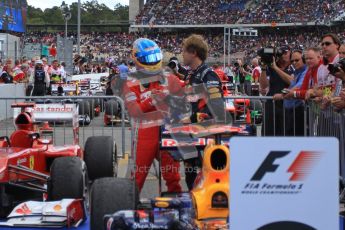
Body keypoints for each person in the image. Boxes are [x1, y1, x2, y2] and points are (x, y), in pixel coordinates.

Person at [122, 38, 182, 193]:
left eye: (155, 57)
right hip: (144, 135)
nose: (153, 62)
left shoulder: (171, 78)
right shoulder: (130, 83)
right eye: (149, 59)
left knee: (173, 176)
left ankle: (176, 208)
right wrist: (151, 100)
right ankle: (131, 208)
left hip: (168, 133)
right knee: (137, 177)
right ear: (137, 59)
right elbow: (134, 111)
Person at [182, 34, 227, 190]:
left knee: (208, 177)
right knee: (190, 174)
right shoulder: (191, 75)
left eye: (184, 50)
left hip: (206, 134)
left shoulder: (208, 75)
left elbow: (217, 108)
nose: (182, 54)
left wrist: (193, 117)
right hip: (191, 134)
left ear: (193, 52)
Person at [273, 50, 307, 136]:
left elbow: (297, 88)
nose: (294, 63)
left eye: (297, 60)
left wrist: (281, 95)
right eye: (292, 61)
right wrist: (285, 92)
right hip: (291, 112)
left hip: (298, 112)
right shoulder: (297, 73)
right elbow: (291, 88)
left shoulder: (305, 72)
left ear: (304, 59)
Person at [260, 46, 292, 136]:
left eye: (285, 53)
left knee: (285, 132)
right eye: (281, 53)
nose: (282, 55)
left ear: (290, 54)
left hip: (287, 105)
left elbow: (292, 81)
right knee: (268, 131)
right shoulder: (270, 67)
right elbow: (263, 86)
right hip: (272, 104)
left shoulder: (293, 66)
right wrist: (263, 68)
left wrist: (276, 68)